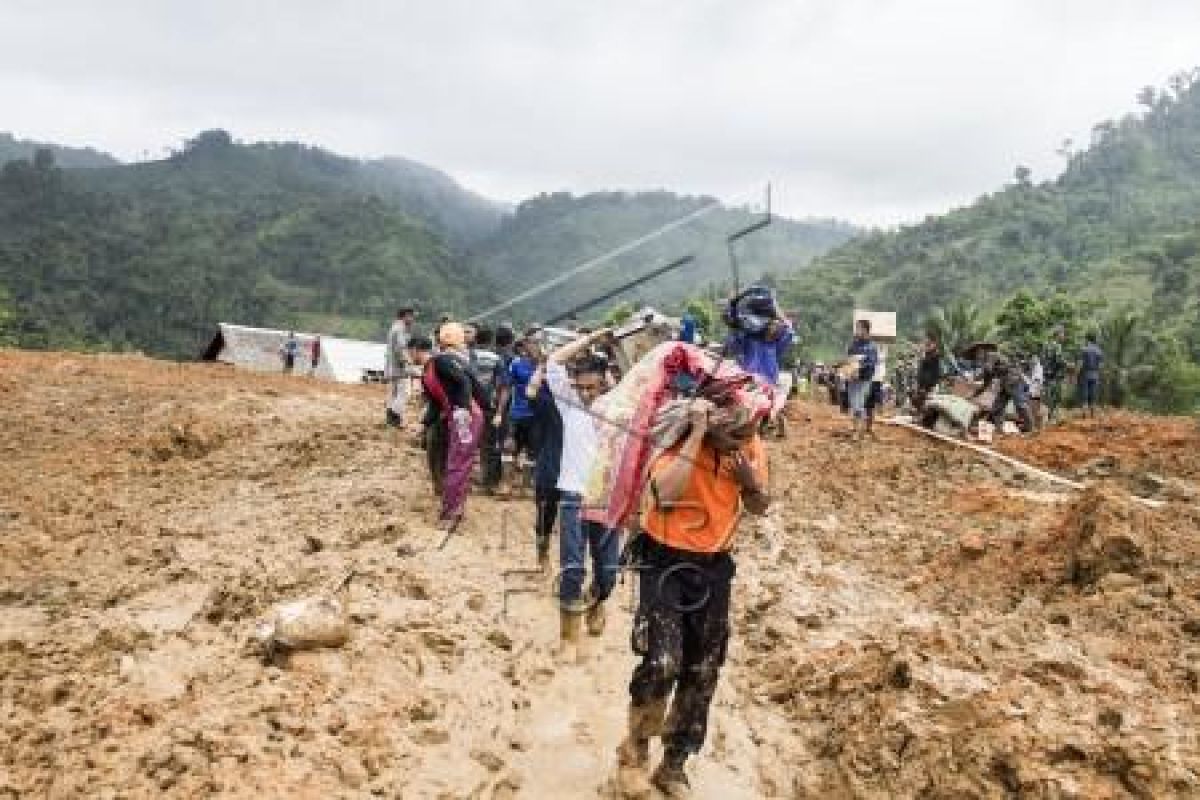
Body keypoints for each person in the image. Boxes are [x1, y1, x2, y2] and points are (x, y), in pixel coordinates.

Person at [616, 388, 770, 797]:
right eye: (735, 435)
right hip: (665, 559)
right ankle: (635, 749)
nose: (745, 443)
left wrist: (750, 484)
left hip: (715, 566)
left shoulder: (750, 442)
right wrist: (699, 435)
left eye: (749, 434)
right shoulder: (683, 438)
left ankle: (674, 764)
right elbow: (664, 496)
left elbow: (759, 506)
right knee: (663, 661)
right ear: (716, 424)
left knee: (702, 669)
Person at [541, 329, 620, 652]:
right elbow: (554, 361)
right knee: (572, 568)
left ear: (604, 383)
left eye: (593, 386)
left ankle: (598, 600)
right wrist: (589, 340)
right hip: (573, 495)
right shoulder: (569, 403)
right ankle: (568, 637)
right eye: (582, 387)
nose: (586, 393)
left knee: (609, 574)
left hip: (607, 497)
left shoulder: (618, 407)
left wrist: (613, 349)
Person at [420, 323, 489, 531]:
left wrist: (464, 410)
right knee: (459, 462)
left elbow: (464, 384)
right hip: (466, 415)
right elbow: (477, 392)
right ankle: (454, 509)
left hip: (464, 416)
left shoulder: (443, 361)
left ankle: (451, 514)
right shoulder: (451, 362)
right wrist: (424, 424)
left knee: (457, 462)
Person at [469, 326, 506, 493]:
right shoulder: (497, 359)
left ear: (476, 339)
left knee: (467, 442)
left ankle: (464, 479)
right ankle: (488, 482)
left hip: (469, 404)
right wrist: (499, 411)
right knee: (488, 445)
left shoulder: (468, 356)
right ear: (491, 341)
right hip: (489, 405)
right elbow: (503, 386)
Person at [973, 350, 1034, 434]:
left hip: (1014, 380)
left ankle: (1030, 428)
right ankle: (999, 430)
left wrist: (978, 376)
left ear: (983, 352)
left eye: (978, 354)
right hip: (1005, 384)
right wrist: (973, 395)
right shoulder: (986, 369)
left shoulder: (991, 355)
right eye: (976, 356)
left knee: (1020, 405)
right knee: (997, 407)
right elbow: (984, 386)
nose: (978, 357)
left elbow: (988, 368)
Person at [506, 337, 541, 474]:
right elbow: (507, 387)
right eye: (531, 344)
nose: (533, 347)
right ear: (525, 347)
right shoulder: (516, 364)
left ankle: (526, 485)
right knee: (510, 446)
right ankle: (507, 481)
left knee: (532, 449)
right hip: (517, 411)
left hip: (536, 414)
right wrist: (500, 411)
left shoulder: (544, 365)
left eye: (536, 344)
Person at [846, 319, 879, 440]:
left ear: (865, 329)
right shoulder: (853, 344)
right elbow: (849, 358)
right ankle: (856, 428)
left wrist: (859, 367)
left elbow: (872, 363)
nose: (857, 330)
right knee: (854, 403)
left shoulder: (872, 346)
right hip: (852, 378)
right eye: (856, 328)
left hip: (864, 379)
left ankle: (857, 431)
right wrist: (847, 369)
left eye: (859, 328)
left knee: (859, 403)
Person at [385, 308, 416, 427]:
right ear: (405, 316)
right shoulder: (400, 329)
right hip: (399, 368)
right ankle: (394, 415)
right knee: (405, 393)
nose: (413, 319)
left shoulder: (394, 327)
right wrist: (409, 362)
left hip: (391, 366)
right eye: (411, 316)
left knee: (393, 394)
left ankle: (391, 419)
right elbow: (401, 348)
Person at [1042, 327, 1068, 424]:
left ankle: (1048, 418)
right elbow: (1059, 360)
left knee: (1048, 397)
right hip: (1055, 376)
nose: (1064, 336)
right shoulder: (1057, 346)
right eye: (1063, 334)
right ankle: (1053, 419)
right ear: (1058, 335)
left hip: (1047, 375)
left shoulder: (1046, 345)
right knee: (1056, 397)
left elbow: (1043, 360)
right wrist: (1068, 364)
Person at [1078, 333, 1103, 418]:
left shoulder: (1084, 349)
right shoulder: (1099, 350)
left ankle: (1084, 414)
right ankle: (1093, 414)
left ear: (1087, 340)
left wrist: (1076, 373)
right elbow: (1100, 366)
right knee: (1093, 394)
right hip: (1095, 375)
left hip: (1085, 374)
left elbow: (1080, 363)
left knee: (1084, 394)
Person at [914, 337, 942, 412]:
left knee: (927, 401)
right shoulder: (927, 354)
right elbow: (922, 367)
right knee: (920, 400)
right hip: (923, 383)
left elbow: (928, 364)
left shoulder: (935, 355)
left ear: (934, 344)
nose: (926, 346)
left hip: (929, 383)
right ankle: (920, 413)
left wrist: (921, 354)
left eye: (929, 344)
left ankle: (924, 415)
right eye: (926, 344)